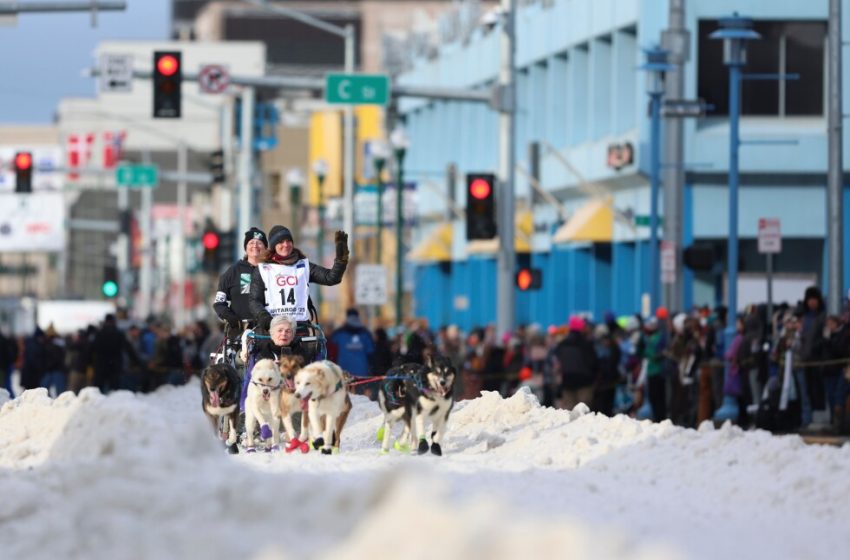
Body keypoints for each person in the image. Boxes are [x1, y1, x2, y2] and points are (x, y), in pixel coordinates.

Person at [249, 225, 349, 331]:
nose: (286, 245)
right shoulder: (263, 269)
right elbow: (254, 301)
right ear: (274, 246)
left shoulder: (303, 265)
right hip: (274, 328)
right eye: (281, 242)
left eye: (288, 241)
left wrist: (341, 260)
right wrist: (265, 318)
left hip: (300, 327)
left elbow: (331, 278)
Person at [214, 227, 268, 337]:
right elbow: (219, 303)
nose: (255, 245)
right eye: (251, 242)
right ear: (245, 247)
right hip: (240, 331)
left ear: (266, 247)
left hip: (268, 331)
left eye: (259, 243)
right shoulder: (233, 271)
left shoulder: (273, 270)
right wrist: (231, 318)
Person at [553, 316, 598, 411]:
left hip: (567, 381)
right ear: (581, 327)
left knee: (570, 411)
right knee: (583, 411)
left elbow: (557, 363)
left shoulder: (562, 344)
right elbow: (594, 363)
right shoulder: (587, 344)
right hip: (585, 382)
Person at [329, 308, 375, 379]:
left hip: (343, 371)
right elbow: (371, 352)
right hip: (362, 371)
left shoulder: (339, 333)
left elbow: (331, 349)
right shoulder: (365, 334)